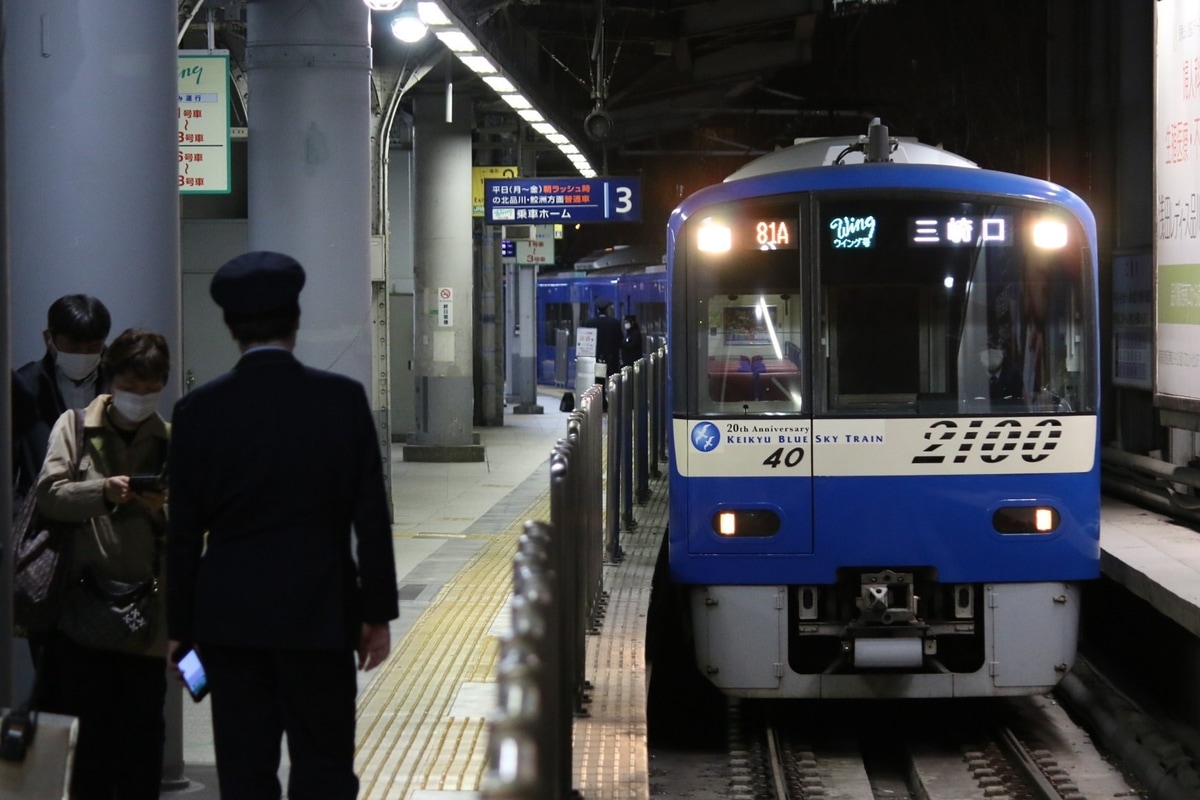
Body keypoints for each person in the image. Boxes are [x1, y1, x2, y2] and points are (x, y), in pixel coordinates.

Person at [166, 251, 400, 800]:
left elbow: (181, 532)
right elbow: (370, 516)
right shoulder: (341, 401)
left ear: (229, 326)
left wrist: (178, 625)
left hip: (230, 621)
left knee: (245, 772)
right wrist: (376, 613)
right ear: (296, 320)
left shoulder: (199, 410)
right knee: (325, 766)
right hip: (320, 614)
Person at [35, 328, 172, 799]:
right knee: (88, 750)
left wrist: (161, 512)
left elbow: (192, 531)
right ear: (111, 381)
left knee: (141, 747)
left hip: (146, 625)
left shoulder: (169, 440)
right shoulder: (73, 427)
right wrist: (102, 492)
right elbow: (49, 497)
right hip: (80, 615)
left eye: (151, 389)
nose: (139, 398)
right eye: (131, 388)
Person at [11, 293, 112, 709]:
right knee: (50, 664)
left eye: (94, 346)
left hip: (107, 541)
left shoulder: (119, 384)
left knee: (108, 666)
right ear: (49, 338)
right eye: (74, 345)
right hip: (45, 544)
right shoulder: (25, 385)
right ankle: (61, 768)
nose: (85, 355)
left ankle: (100, 766)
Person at [582, 297, 622, 410]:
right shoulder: (615, 323)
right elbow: (620, 340)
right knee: (613, 381)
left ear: (597, 309)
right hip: (612, 358)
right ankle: (615, 404)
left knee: (599, 383)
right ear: (607, 308)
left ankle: (602, 404)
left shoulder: (590, 323)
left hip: (598, 359)